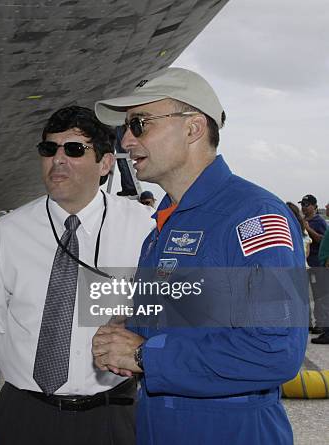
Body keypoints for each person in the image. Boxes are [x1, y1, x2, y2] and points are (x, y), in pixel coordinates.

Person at [92, 67, 308, 445]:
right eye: (124, 128)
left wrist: (144, 357)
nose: (125, 140)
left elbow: (275, 350)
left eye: (139, 124)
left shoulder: (254, 217)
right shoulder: (163, 226)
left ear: (192, 128)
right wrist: (128, 331)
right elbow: (195, 323)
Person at [0, 106, 154, 445]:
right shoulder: (9, 232)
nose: (58, 159)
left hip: (111, 416)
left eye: (75, 149)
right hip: (24, 414)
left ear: (105, 163)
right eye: (49, 149)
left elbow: (171, 315)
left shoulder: (143, 229)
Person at [299, 194, 328, 342]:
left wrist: (309, 229)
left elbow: (323, 240)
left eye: (306, 204)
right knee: (304, 295)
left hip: (316, 264)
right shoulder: (302, 221)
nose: (303, 207)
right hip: (304, 265)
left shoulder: (319, 221)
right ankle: (307, 323)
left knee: (319, 296)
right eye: (302, 204)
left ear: (314, 206)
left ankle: (321, 324)